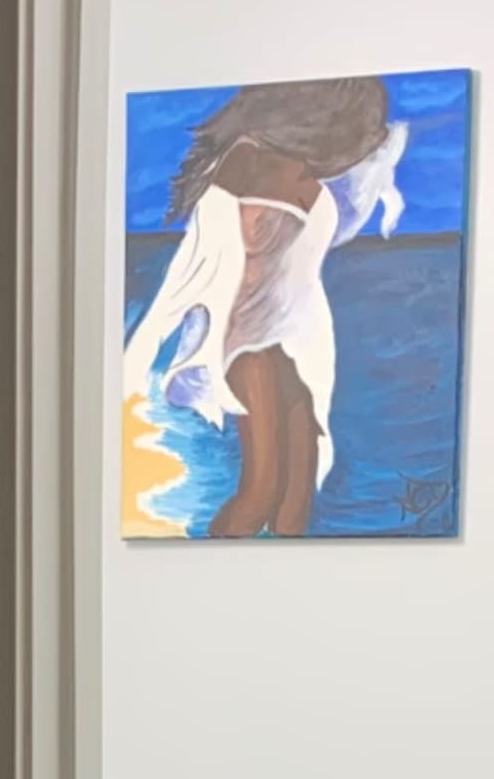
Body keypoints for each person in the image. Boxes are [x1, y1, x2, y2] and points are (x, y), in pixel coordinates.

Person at [124, 78, 411, 538]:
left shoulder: (318, 178)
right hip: (241, 336)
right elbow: (202, 253)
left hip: (293, 336)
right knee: (259, 490)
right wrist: (170, 332)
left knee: (299, 494)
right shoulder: (243, 159)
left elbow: (307, 267)